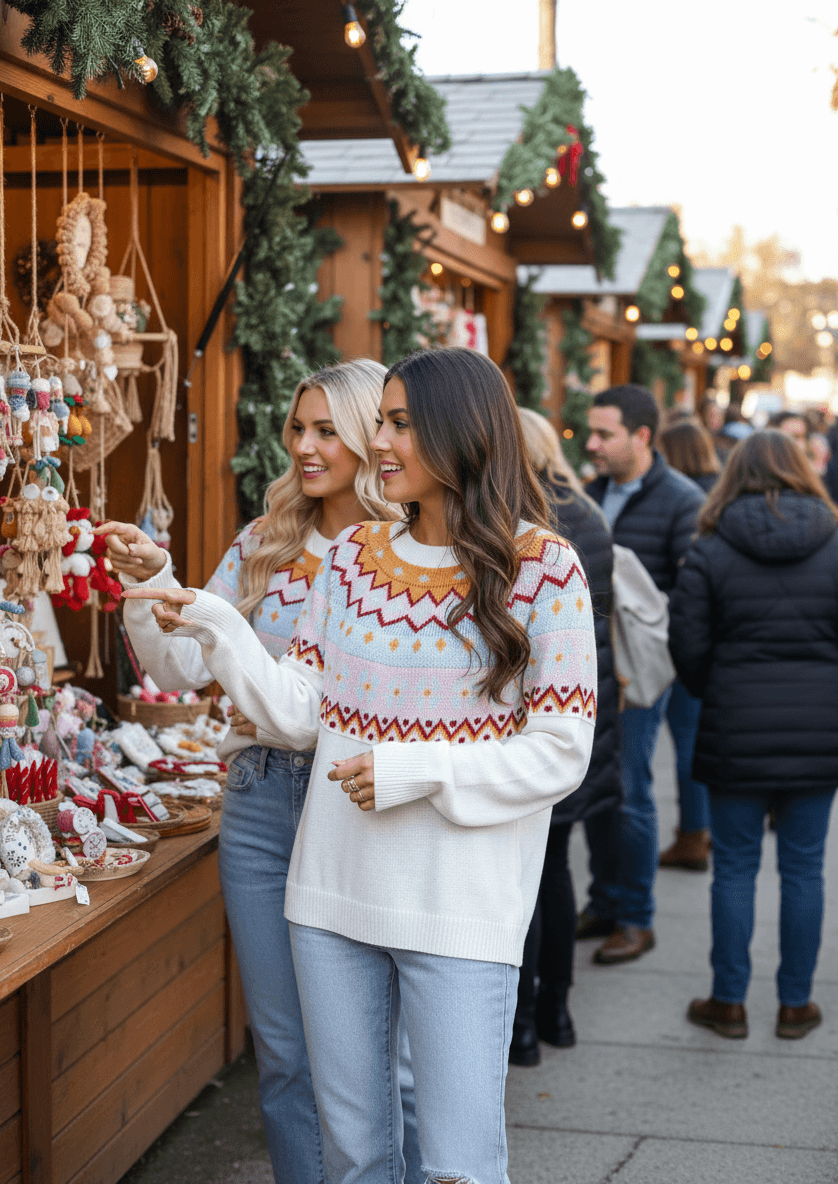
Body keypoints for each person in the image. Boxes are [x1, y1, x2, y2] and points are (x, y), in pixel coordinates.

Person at [125, 347, 597, 1184]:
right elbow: (300, 710)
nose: (379, 439)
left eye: (401, 422)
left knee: (457, 1163)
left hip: (458, 909)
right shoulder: (349, 561)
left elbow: (562, 750)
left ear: (462, 432)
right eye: (381, 418)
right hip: (330, 898)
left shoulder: (544, 569)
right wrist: (212, 621)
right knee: (351, 1157)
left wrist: (421, 770)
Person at [100, 360, 421, 1184]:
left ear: (365, 437)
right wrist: (152, 583)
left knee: (380, 1053)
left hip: (347, 801)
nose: (304, 448)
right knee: (282, 1052)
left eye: (326, 431)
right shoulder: (264, 541)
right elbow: (176, 668)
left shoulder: (400, 553)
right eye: (297, 428)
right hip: (256, 808)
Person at [669, 430, 838, 1040]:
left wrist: (717, 688)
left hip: (736, 727)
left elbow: (686, 647)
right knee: (805, 869)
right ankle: (796, 1004)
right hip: (821, 730)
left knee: (734, 867)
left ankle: (730, 1001)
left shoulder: (711, 547)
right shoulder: (835, 540)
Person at [579, 384, 705, 964]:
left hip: (637, 673)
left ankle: (637, 918)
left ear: (643, 436)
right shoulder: (591, 492)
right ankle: (605, 900)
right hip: (589, 666)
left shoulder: (681, 500)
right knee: (596, 789)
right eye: (591, 432)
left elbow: (691, 592)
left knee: (629, 790)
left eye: (605, 434)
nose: (593, 444)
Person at [511, 409, 621, 1065]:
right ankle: (557, 1009)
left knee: (531, 877)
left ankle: (523, 1024)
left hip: (538, 723)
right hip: (588, 717)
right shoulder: (589, 515)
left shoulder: (535, 529)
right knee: (556, 868)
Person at [654, 418, 721, 871]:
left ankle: (694, 834)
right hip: (696, 638)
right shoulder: (716, 493)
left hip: (674, 636)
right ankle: (696, 830)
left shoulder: (680, 499)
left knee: (683, 740)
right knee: (690, 740)